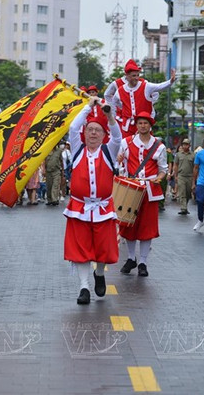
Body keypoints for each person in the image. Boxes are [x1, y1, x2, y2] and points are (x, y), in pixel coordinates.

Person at [63, 97, 121, 305]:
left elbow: (117, 136)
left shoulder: (109, 151)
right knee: (80, 249)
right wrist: (89, 106)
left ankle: (99, 272)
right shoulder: (77, 149)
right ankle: (84, 287)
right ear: (84, 133)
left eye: (98, 130)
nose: (94, 133)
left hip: (103, 208)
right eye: (90, 130)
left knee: (103, 249)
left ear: (104, 135)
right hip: (79, 207)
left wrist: (108, 116)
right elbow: (73, 126)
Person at [118, 112, 167, 277]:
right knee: (128, 224)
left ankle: (143, 262)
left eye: (145, 123)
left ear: (150, 125)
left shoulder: (159, 146)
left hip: (150, 191)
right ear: (136, 125)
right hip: (131, 188)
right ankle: (131, 258)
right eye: (140, 123)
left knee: (147, 228)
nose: (142, 126)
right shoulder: (126, 142)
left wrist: (159, 178)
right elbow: (120, 164)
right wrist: (119, 163)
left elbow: (163, 169)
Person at [104, 59, 176, 136]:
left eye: (138, 75)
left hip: (144, 126)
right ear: (127, 76)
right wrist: (122, 108)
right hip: (128, 127)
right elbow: (114, 102)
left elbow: (159, 86)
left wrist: (170, 81)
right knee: (126, 146)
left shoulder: (145, 86)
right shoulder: (120, 90)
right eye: (134, 75)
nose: (136, 78)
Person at [172, 138, 194, 215]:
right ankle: (183, 208)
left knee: (188, 193)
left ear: (189, 145)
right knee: (182, 192)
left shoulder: (193, 155)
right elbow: (175, 165)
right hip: (181, 175)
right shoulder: (178, 154)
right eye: (184, 144)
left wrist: (194, 179)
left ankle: (185, 205)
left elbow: (195, 167)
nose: (185, 146)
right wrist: (175, 175)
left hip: (190, 176)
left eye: (187, 144)